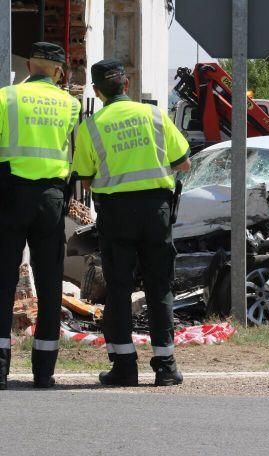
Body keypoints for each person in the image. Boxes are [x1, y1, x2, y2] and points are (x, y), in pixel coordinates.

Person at [71, 59, 191, 387]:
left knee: (119, 289)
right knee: (159, 287)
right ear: (126, 84)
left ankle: (124, 366)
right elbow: (183, 163)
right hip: (156, 212)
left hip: (115, 214)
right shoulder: (153, 115)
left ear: (97, 90)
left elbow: (85, 176)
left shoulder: (91, 127)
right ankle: (166, 366)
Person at [0, 42, 81, 389]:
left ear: (31, 64)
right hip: (50, 200)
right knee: (49, 285)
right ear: (60, 71)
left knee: (2, 284)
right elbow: (72, 157)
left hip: (10, 198)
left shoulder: (7, 97)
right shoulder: (71, 104)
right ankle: (44, 373)